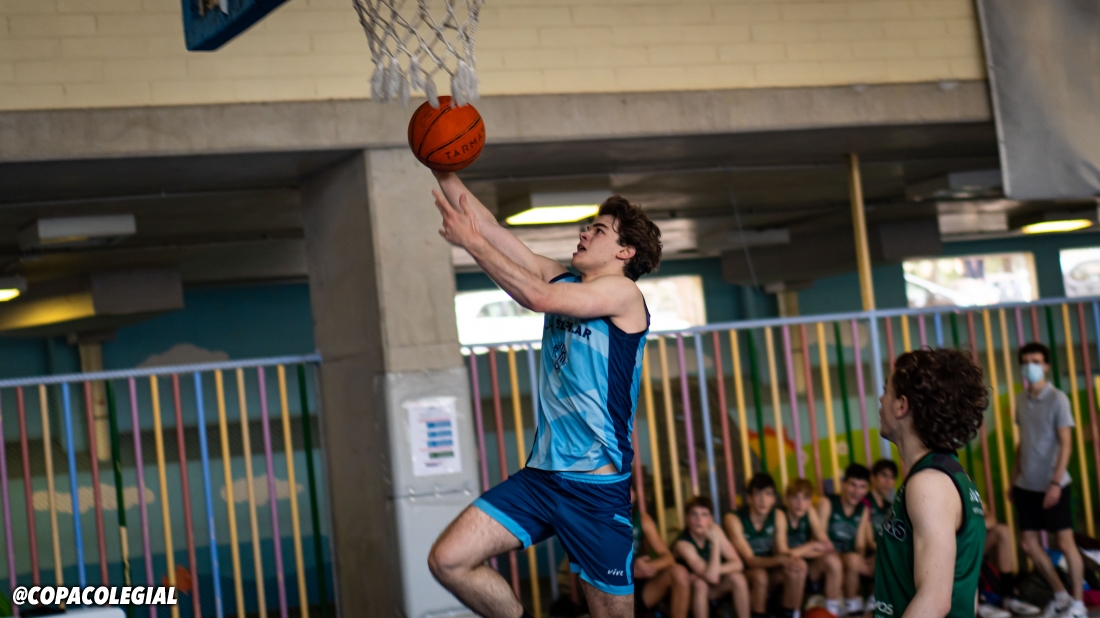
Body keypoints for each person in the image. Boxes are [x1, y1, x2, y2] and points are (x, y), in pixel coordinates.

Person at [427, 172, 663, 618]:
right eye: (588, 227)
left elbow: (535, 297)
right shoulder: (564, 280)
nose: (584, 233)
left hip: (594, 489)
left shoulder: (623, 293)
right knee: (449, 560)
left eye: (599, 230)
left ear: (625, 251)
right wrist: (443, 169)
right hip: (541, 478)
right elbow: (490, 228)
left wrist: (470, 243)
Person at [874, 348, 988, 618]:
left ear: (902, 405)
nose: (880, 399)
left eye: (886, 390)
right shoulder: (948, 473)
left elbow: (935, 600)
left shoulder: (929, 484)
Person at [1012, 342, 1087, 618]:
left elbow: (1066, 443)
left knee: (1065, 543)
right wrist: (1013, 479)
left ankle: (1078, 603)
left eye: (1036, 361)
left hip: (1054, 484)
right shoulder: (1020, 400)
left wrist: (1055, 483)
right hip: (1026, 485)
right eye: (1026, 361)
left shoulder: (1058, 399)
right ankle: (1060, 596)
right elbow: (1023, 443)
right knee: (1029, 544)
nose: (1030, 366)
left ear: (1046, 366)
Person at [724, 473, 806, 618]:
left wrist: (792, 559)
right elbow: (750, 560)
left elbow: (782, 550)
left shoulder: (778, 515)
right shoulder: (733, 519)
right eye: (757, 494)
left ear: (773, 499)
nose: (763, 500)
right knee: (760, 575)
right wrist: (780, 559)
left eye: (768, 494)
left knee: (797, 568)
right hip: (743, 573)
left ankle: (791, 614)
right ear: (749, 498)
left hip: (770, 570)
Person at [673, 496, 751, 618]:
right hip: (690, 594)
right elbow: (712, 578)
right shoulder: (683, 544)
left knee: (738, 578)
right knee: (700, 584)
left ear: (711, 519)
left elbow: (738, 564)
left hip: (712, 585)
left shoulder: (715, 530)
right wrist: (715, 543)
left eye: (704, 515)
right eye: (694, 514)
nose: (699, 520)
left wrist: (715, 570)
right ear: (686, 518)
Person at [779, 478, 842, 618]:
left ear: (810, 501)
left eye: (805, 498)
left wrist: (802, 551)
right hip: (782, 567)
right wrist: (812, 545)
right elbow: (784, 553)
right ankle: (795, 614)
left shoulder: (810, 512)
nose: (800, 503)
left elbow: (826, 545)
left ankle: (832, 613)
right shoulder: (780, 515)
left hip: (808, 566)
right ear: (786, 499)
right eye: (795, 497)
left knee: (833, 560)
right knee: (798, 565)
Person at [817, 464, 872, 616]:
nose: (857, 491)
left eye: (862, 487)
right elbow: (819, 540)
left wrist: (860, 560)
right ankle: (832, 611)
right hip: (822, 559)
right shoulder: (826, 503)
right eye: (853, 485)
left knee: (856, 559)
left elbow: (860, 544)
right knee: (835, 561)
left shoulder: (863, 509)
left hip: (846, 558)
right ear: (843, 484)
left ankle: (853, 605)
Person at [630, 487, 692, 618]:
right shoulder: (596, 520)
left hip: (638, 587)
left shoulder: (641, 519)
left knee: (679, 572)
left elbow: (668, 557)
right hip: (608, 589)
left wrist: (649, 567)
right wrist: (630, 570)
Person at [978, 507, 1041, 618]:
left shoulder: (968, 495)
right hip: (952, 549)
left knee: (1002, 531)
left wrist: (972, 526)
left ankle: (1008, 596)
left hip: (969, 539)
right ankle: (977, 602)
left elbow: (991, 518)